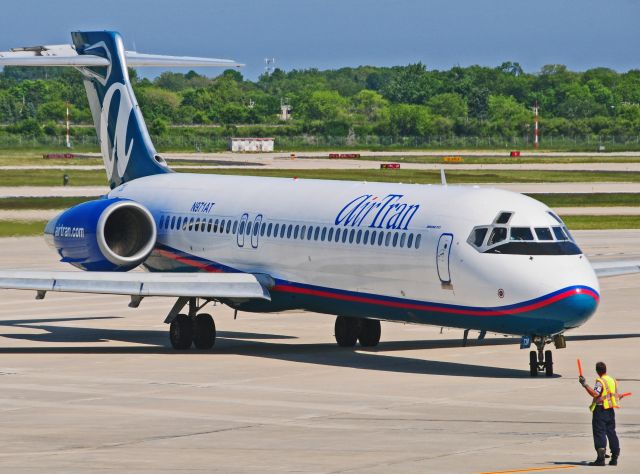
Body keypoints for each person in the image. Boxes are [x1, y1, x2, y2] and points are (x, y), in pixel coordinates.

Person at [579, 361, 620, 466]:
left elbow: (595, 393)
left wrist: (584, 385)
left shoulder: (600, 381)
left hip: (600, 410)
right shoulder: (612, 380)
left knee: (599, 432)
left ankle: (600, 459)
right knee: (611, 432)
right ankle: (614, 457)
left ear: (597, 371)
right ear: (605, 369)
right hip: (610, 409)